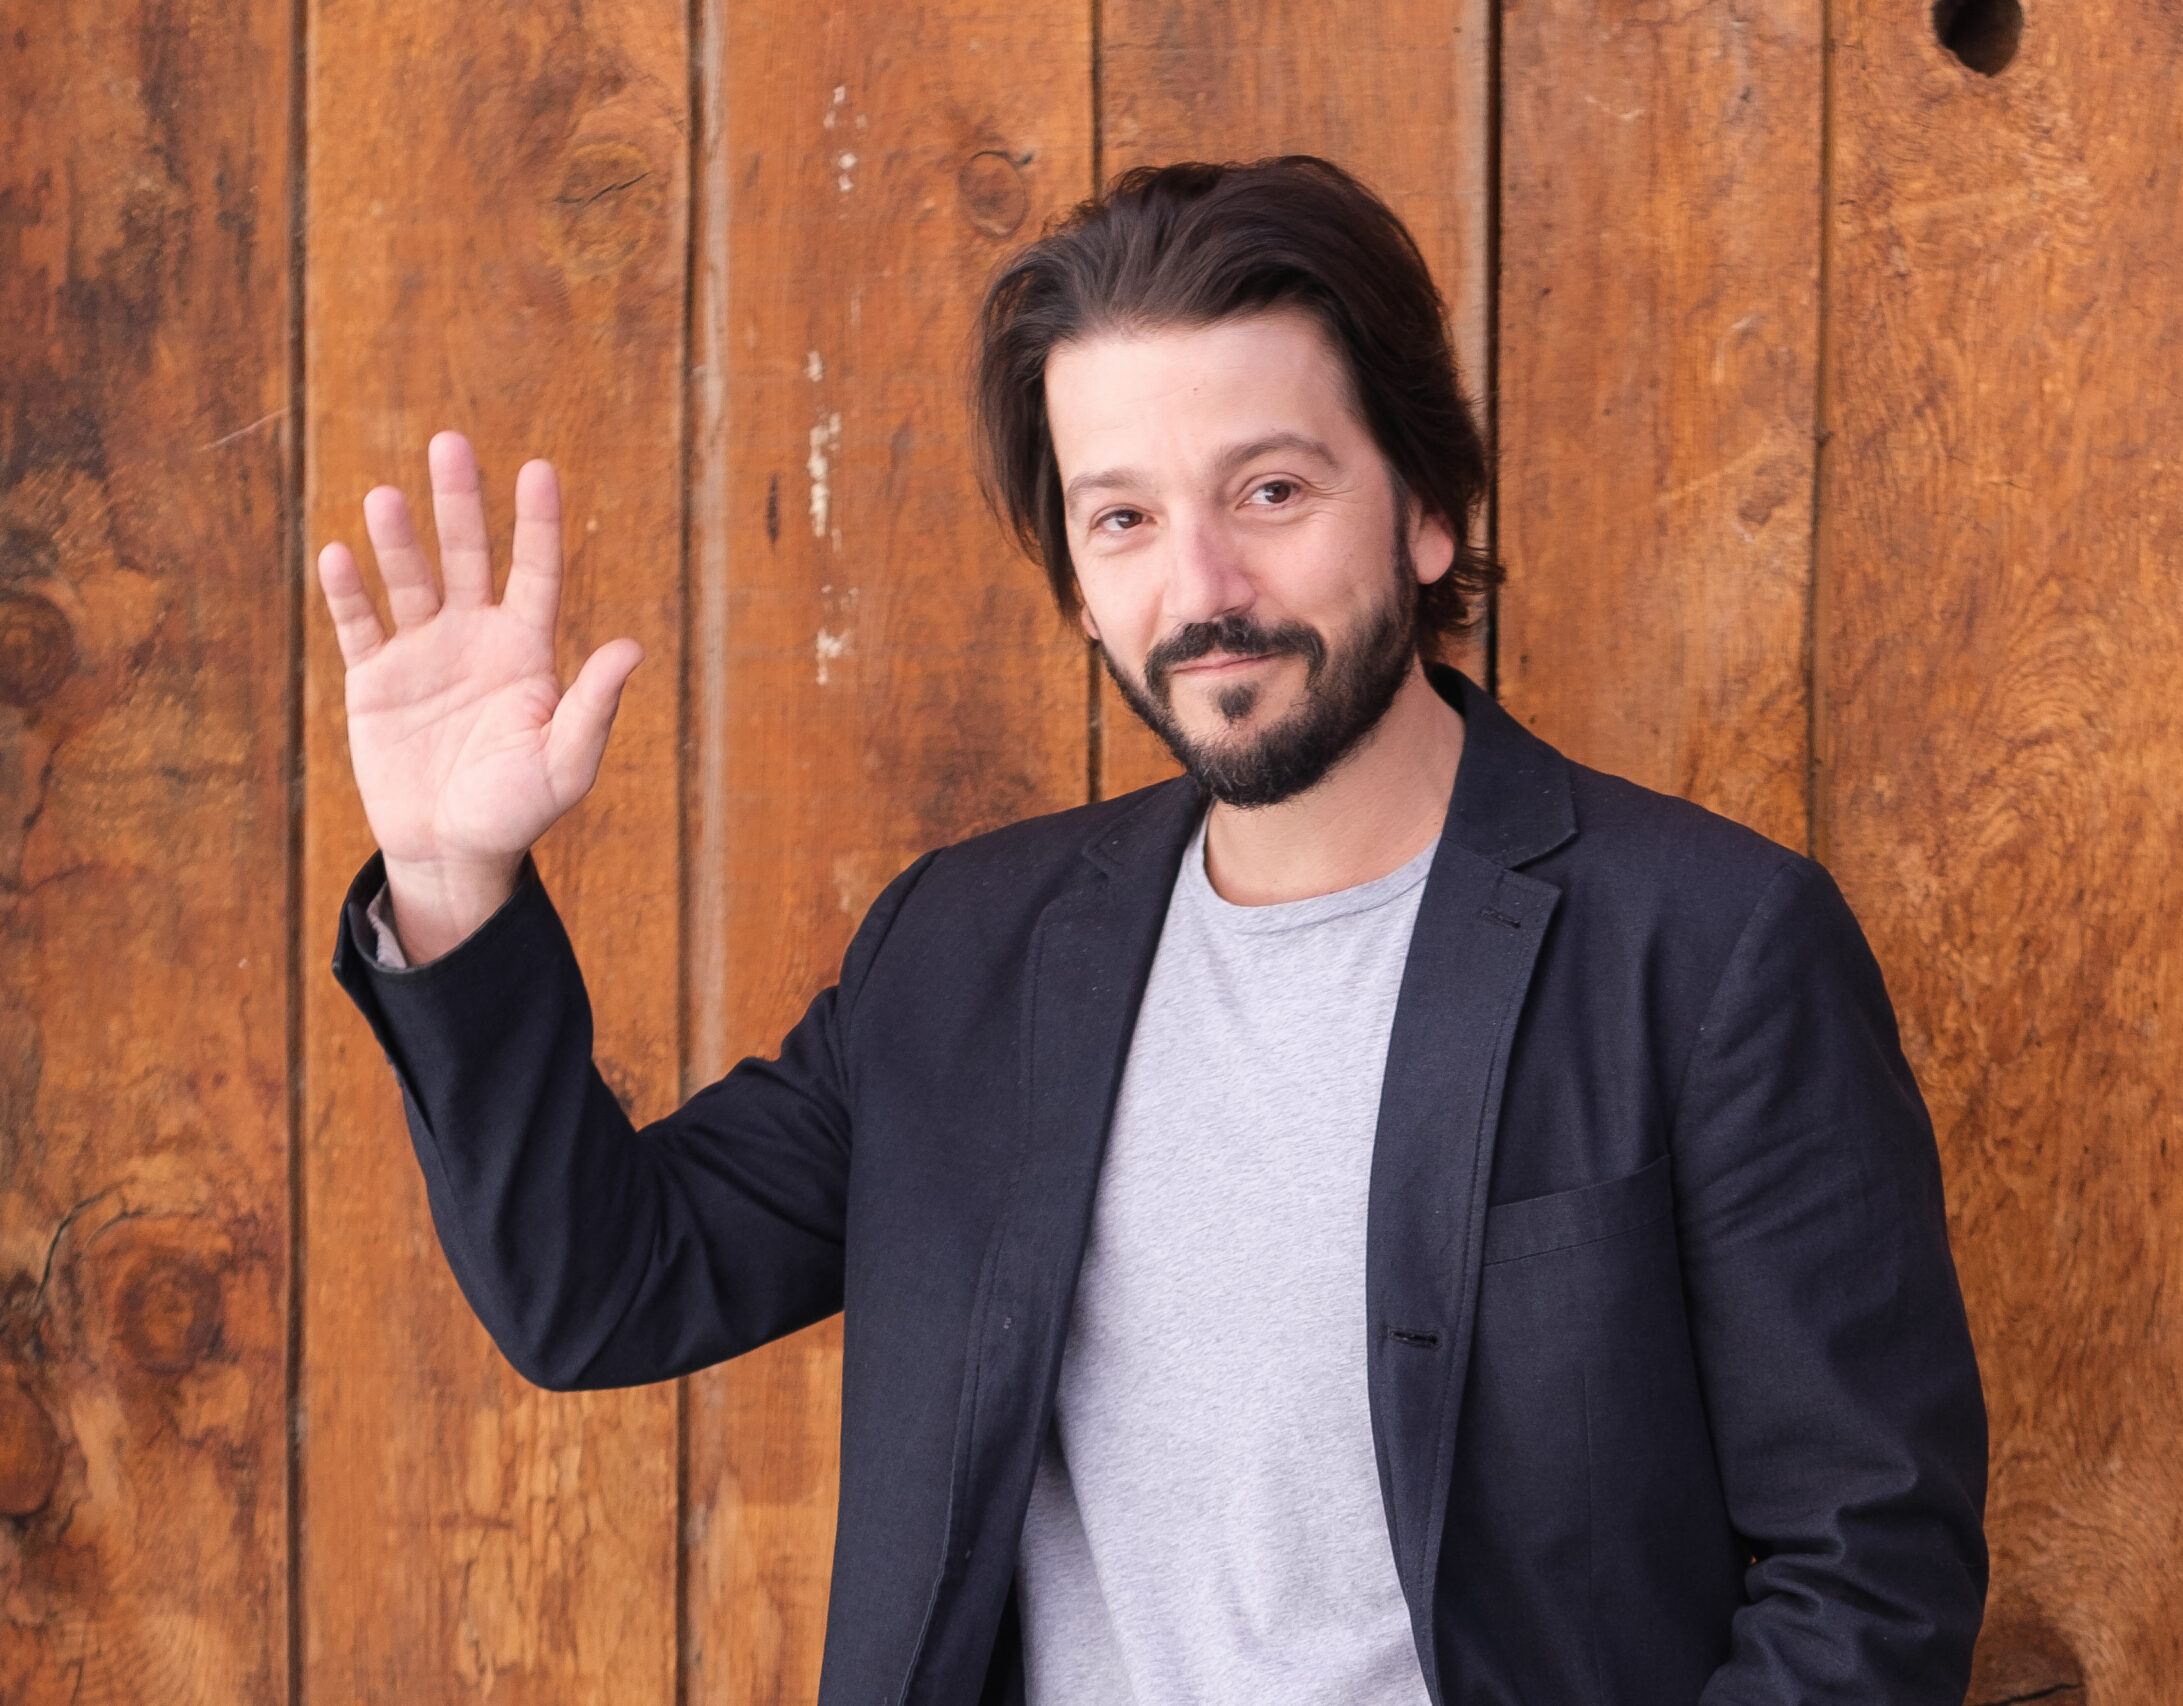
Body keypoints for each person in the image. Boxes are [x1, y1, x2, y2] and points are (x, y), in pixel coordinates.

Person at [318, 156, 1988, 1706]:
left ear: (1426, 511)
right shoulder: (962, 950)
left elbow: (1869, 1571)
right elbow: (605, 1288)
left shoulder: (1711, 950)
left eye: (1268, 488)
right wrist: (455, 880)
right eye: (1121, 516)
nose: (1200, 585)